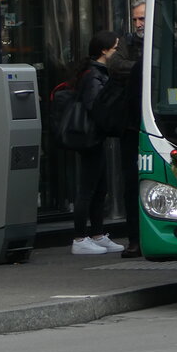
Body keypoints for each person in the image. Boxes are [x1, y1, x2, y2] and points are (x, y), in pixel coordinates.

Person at [71, 31, 126, 256]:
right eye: (115, 48)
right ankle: (80, 238)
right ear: (104, 51)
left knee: (99, 187)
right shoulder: (94, 75)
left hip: (94, 137)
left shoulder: (96, 72)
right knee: (88, 189)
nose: (117, 53)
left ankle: (96, 234)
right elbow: (96, 106)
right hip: (91, 138)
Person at [107, 0, 145, 259]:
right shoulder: (126, 44)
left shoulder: (166, 41)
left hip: (160, 122)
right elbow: (115, 66)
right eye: (135, 20)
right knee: (131, 183)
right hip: (131, 125)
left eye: (142, 19)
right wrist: (145, 68)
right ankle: (135, 238)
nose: (139, 24)